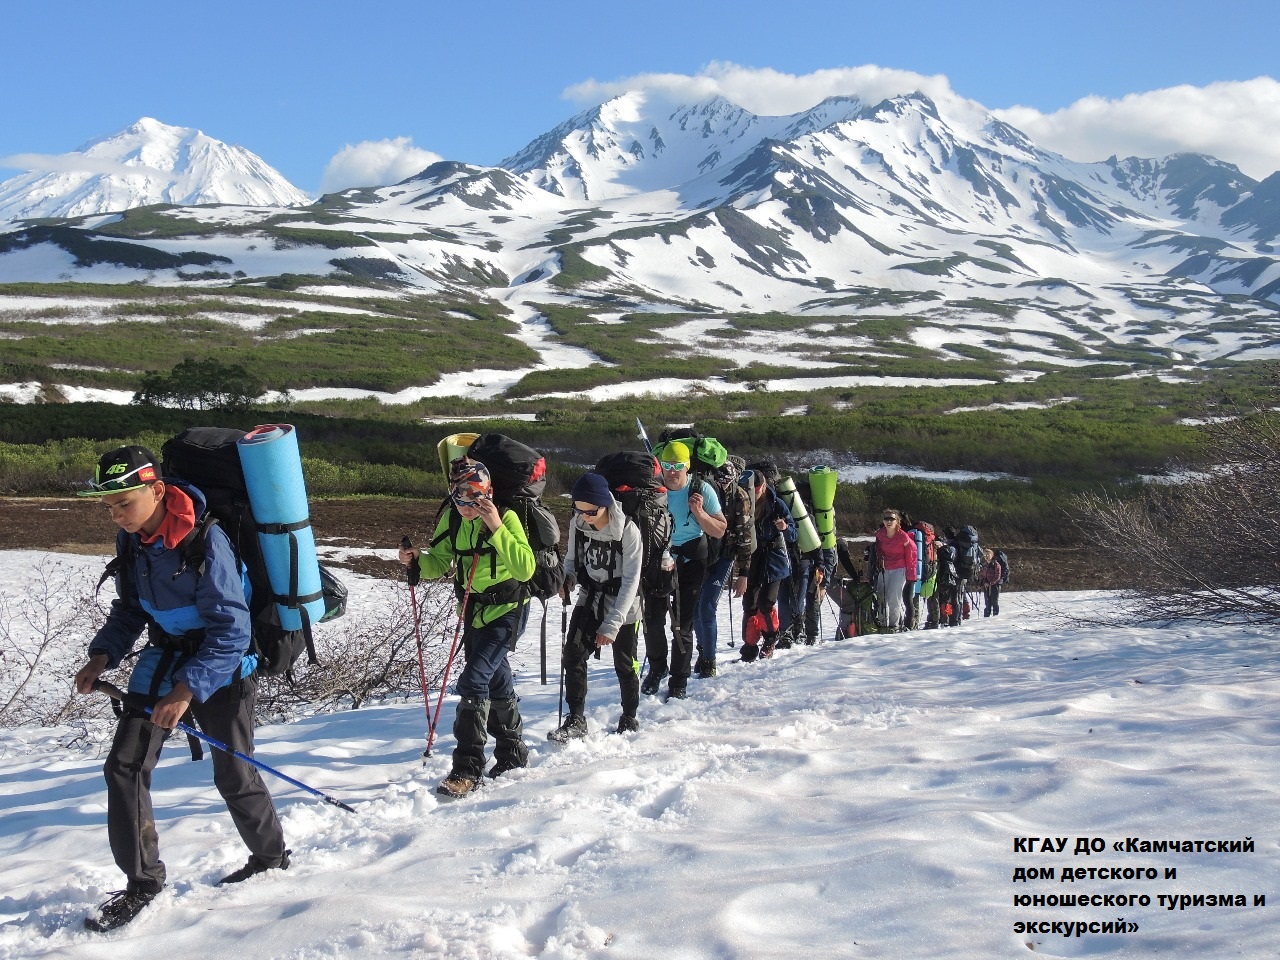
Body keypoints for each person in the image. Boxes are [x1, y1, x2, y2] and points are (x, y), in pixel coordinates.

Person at [72, 446, 289, 933]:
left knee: (234, 771)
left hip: (221, 663)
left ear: (155, 490)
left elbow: (231, 632)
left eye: (123, 502)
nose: (116, 514)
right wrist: (101, 655)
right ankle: (142, 883)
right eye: (108, 506)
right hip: (164, 654)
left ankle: (271, 859)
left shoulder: (205, 541)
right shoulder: (132, 539)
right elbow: (130, 608)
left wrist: (187, 690)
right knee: (124, 766)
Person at [399, 457, 535, 799]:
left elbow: (525, 569)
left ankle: (467, 769)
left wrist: (497, 527)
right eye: (460, 496)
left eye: (474, 496)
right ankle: (512, 751)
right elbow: (440, 562)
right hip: (472, 612)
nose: (466, 504)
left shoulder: (507, 518)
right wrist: (416, 560)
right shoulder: (452, 518)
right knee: (496, 676)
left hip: (508, 611)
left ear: (487, 493)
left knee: (474, 680)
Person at [552, 472, 643, 739]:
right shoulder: (578, 523)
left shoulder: (628, 530)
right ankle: (576, 718)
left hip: (625, 604)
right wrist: (566, 581)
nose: (585, 517)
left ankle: (629, 717)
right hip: (590, 597)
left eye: (590, 511)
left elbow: (631, 581)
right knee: (573, 654)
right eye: (579, 510)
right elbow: (571, 562)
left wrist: (612, 624)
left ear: (605, 504)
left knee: (624, 664)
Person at [642, 441, 726, 699]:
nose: (672, 471)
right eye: (667, 465)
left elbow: (720, 530)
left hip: (691, 561)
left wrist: (699, 512)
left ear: (687, 466)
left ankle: (679, 680)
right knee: (653, 621)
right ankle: (657, 669)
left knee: (682, 625)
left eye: (678, 466)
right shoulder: (653, 488)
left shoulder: (702, 490)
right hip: (658, 559)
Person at [692, 454, 754, 678]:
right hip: (700, 555)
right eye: (719, 478)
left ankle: (709, 660)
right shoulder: (703, 489)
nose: (722, 483)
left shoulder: (739, 496)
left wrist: (743, 573)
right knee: (698, 607)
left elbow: (744, 536)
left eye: (726, 479)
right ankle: (703, 653)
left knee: (706, 607)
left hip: (723, 557)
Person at [737, 468, 797, 661]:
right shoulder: (742, 502)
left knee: (766, 602)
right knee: (749, 604)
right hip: (752, 557)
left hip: (774, 558)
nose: (754, 492)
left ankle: (771, 639)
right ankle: (750, 646)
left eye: (757, 488)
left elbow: (794, 534)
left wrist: (785, 528)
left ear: (764, 486)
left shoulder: (776, 504)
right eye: (751, 489)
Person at [871, 509, 918, 631]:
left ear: (897, 521)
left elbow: (911, 556)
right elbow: (879, 551)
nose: (889, 521)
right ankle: (882, 624)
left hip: (899, 569)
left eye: (892, 519)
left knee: (894, 598)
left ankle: (894, 625)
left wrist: (911, 576)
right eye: (886, 519)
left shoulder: (903, 537)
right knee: (881, 597)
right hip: (884, 568)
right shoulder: (880, 534)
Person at [978, 547, 1003, 617]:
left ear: (992, 555)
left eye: (988, 555)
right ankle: (986, 615)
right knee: (987, 601)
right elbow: (982, 574)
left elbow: (998, 576)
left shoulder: (996, 565)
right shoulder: (984, 565)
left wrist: (990, 582)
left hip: (995, 586)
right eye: (985, 555)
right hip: (986, 586)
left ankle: (995, 615)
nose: (986, 557)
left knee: (994, 601)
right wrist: (981, 582)